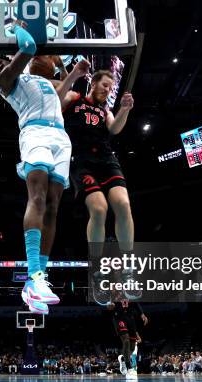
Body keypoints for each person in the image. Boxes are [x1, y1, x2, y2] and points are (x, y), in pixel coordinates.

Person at [0, 21, 90, 314]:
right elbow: (29, 47)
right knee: (39, 198)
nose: (1, 62)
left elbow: (58, 99)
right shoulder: (8, 81)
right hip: (35, 134)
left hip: (60, 136)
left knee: (55, 205)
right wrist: (15, 27)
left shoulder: (38, 79)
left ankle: (40, 279)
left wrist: (74, 75)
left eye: (2, 58)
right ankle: (31, 276)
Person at [60, 69, 135, 294]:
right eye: (104, 85)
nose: (107, 90)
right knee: (100, 209)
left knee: (123, 205)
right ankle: (96, 270)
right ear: (92, 83)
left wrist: (125, 109)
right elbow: (58, 96)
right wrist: (70, 75)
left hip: (106, 158)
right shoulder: (75, 99)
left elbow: (114, 129)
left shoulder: (105, 110)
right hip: (82, 160)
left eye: (110, 88)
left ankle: (128, 270)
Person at [109, 298, 148, 379]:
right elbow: (108, 306)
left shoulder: (129, 291)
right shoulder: (113, 292)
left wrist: (142, 314)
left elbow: (136, 303)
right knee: (126, 340)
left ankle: (123, 359)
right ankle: (129, 368)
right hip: (119, 318)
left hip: (130, 318)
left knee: (132, 347)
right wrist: (110, 306)